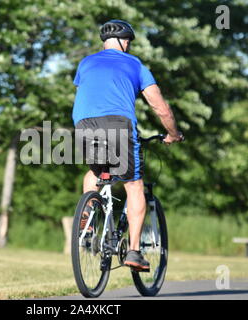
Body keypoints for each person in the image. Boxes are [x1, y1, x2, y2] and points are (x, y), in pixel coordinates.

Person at [72, 19, 184, 270]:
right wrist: (173, 133)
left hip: (84, 125)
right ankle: (133, 252)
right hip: (119, 124)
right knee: (133, 184)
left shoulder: (86, 63)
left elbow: (87, 92)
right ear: (125, 42)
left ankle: (87, 221)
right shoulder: (135, 64)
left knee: (95, 172)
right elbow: (159, 106)